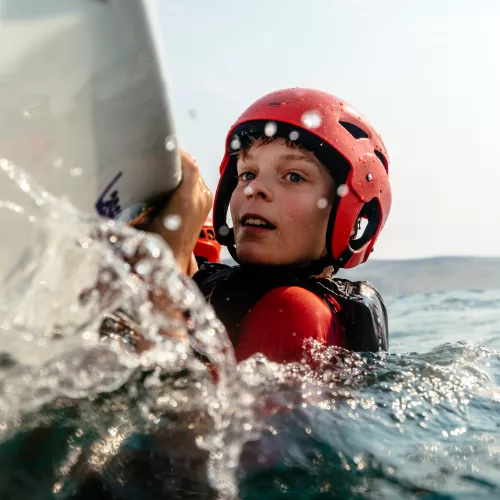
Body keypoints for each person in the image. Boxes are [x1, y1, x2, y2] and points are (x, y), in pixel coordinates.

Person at [140, 88, 391, 363]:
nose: (254, 188)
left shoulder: (296, 312)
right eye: (247, 173)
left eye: (294, 177)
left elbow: (177, 399)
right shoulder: (231, 286)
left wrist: (163, 275)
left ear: (349, 215)